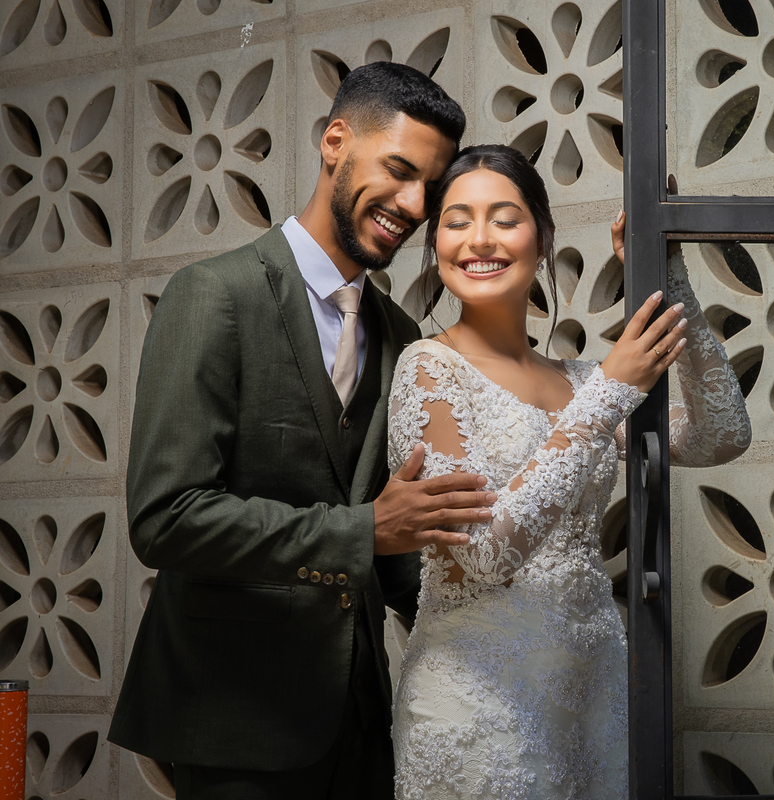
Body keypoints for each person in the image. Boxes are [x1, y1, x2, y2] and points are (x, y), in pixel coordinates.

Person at [109, 63, 496, 800]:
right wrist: (362, 530)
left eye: (430, 187)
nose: (415, 205)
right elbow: (165, 517)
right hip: (232, 715)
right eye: (399, 171)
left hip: (363, 721)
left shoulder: (401, 335)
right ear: (335, 142)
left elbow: (396, 550)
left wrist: (511, 629)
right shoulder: (214, 296)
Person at [388, 144, 752, 799]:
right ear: (436, 243)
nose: (478, 240)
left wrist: (671, 279)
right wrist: (611, 391)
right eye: (456, 221)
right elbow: (483, 555)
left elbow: (720, 434)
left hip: (593, 696)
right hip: (477, 707)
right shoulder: (427, 369)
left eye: (504, 219)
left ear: (543, 238)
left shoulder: (579, 380)